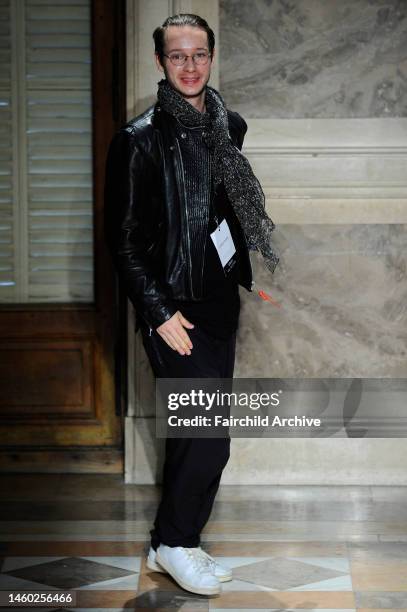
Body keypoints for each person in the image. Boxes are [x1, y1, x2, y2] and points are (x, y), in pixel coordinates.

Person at [104, 13, 279, 597]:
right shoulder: (137, 139)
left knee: (199, 429)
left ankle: (170, 542)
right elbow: (124, 242)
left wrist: (242, 272)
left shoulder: (228, 124)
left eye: (198, 54)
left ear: (211, 56)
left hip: (217, 303)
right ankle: (178, 543)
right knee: (208, 434)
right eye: (176, 55)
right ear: (160, 61)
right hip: (172, 309)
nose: (189, 65)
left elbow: (222, 213)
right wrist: (156, 313)